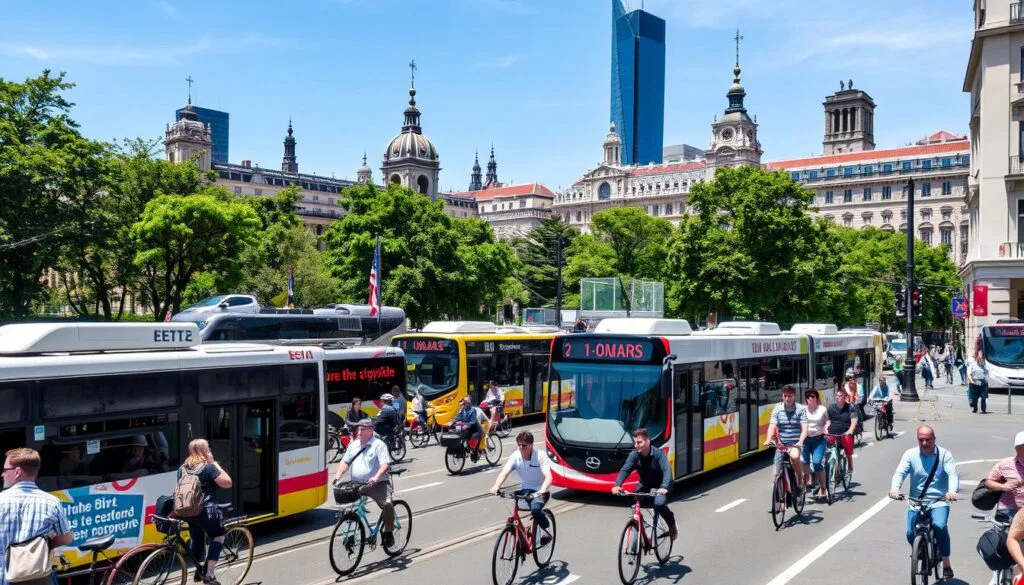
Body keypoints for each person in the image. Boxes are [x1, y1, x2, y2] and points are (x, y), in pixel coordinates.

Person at [888, 425, 959, 581]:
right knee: (910, 533)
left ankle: (946, 563)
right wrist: (895, 489)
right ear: (917, 439)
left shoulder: (944, 455)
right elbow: (900, 473)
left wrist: (952, 491)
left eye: (928, 440)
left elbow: (952, 474)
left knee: (940, 526)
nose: (924, 443)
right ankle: (919, 550)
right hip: (916, 501)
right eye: (921, 440)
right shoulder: (910, 454)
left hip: (938, 500)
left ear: (934, 439)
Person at [0, 448, 73, 585]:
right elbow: (67, 538)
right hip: (37, 578)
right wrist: (45, 543)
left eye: (5, 470)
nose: (2, 474)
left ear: (17, 472)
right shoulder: (52, 502)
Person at [178, 439, 234, 585]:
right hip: (206, 512)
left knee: (196, 537)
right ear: (205, 451)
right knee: (218, 537)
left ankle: (198, 568)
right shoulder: (208, 468)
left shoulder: (182, 469)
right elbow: (227, 483)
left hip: (188, 512)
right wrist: (215, 464)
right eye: (208, 448)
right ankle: (209, 574)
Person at [332, 419, 395, 547]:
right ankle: (351, 534)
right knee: (351, 509)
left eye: (362, 429)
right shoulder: (354, 445)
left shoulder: (379, 445)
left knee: (388, 504)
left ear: (371, 430)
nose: (359, 432)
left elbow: (385, 465)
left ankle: (389, 532)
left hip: (377, 484)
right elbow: (345, 461)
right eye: (358, 429)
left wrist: (376, 477)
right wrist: (338, 475)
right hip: (357, 484)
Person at [611, 428, 677, 541]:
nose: (636, 445)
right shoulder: (634, 455)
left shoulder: (659, 454)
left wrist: (664, 487)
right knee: (631, 498)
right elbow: (625, 470)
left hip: (660, 486)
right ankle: (641, 523)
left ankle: (672, 525)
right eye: (635, 442)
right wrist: (617, 485)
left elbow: (667, 470)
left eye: (639, 442)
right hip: (645, 484)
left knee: (659, 504)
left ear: (648, 441)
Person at [489, 431, 553, 544]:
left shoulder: (540, 456)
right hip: (525, 490)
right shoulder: (515, 456)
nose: (521, 448)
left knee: (535, 509)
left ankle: (545, 529)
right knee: (512, 508)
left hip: (540, 491)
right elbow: (504, 472)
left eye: (524, 445)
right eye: (519, 445)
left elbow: (548, 476)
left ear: (531, 445)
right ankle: (520, 535)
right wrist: (496, 486)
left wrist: (543, 489)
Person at [764, 385, 809, 492]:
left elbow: (805, 429)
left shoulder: (800, 409)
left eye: (790, 396)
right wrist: (768, 439)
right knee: (776, 474)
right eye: (785, 396)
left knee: (794, 456)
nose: (787, 398)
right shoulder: (777, 409)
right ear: (782, 396)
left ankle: (800, 479)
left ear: (794, 396)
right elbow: (772, 426)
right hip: (782, 444)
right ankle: (781, 497)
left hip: (795, 443)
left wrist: (800, 441)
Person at [801, 389, 829, 499]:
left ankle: (823, 488)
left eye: (812, 396)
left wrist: (826, 427)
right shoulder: (802, 410)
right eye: (808, 397)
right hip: (806, 440)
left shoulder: (822, 409)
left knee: (817, 462)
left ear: (817, 398)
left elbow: (828, 421)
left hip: (819, 440)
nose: (810, 398)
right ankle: (809, 480)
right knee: (804, 461)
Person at [825, 386, 859, 475]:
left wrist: (850, 430)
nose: (838, 397)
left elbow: (854, 419)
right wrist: (826, 428)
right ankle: (830, 467)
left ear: (845, 397)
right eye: (837, 395)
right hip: (833, 433)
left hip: (845, 433)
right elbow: (827, 420)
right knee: (826, 448)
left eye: (841, 396)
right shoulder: (830, 407)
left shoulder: (850, 407)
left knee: (848, 447)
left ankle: (850, 463)